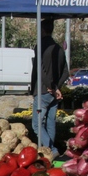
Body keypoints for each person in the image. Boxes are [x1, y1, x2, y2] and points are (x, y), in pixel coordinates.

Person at [32, 18, 69, 155]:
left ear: (42, 30)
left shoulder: (40, 47)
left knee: (37, 125)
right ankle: (51, 151)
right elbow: (66, 72)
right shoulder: (59, 49)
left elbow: (40, 71)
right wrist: (57, 87)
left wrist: (51, 86)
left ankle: (51, 150)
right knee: (51, 122)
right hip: (54, 93)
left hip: (43, 90)